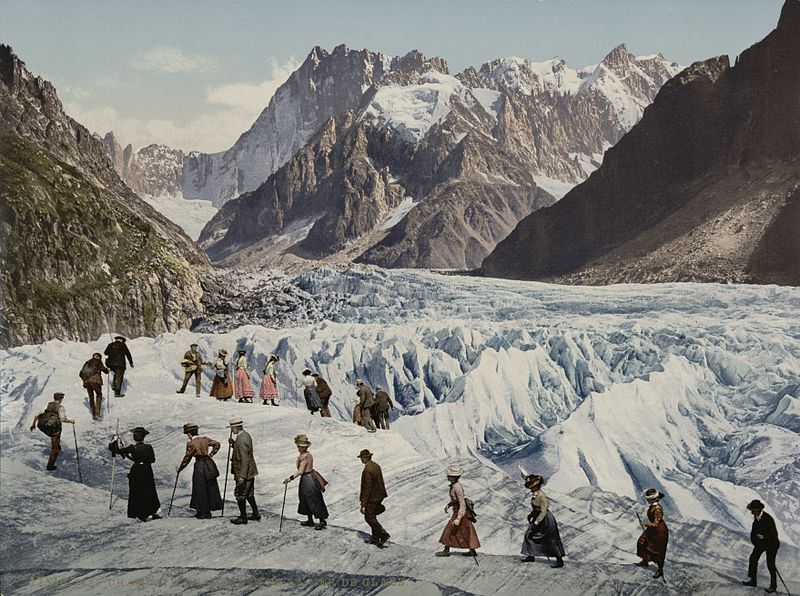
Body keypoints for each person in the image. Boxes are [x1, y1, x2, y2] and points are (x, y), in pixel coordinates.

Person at [109, 426, 161, 522]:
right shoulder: (148, 447)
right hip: (147, 470)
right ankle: (152, 512)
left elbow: (117, 450)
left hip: (136, 470)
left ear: (134, 437)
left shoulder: (132, 448)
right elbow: (152, 460)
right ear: (144, 437)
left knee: (137, 491)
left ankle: (139, 513)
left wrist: (113, 442)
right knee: (150, 491)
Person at [177, 422, 223, 519]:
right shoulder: (205, 439)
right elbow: (217, 444)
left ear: (189, 434)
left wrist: (180, 468)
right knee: (210, 486)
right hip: (209, 464)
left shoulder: (191, 443)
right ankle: (207, 510)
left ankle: (204, 512)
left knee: (199, 488)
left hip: (199, 465)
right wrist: (211, 454)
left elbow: (187, 457)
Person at [283, 435, 328, 530]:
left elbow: (300, 471)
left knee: (312, 499)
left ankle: (321, 520)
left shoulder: (304, 457)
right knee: (307, 499)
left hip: (307, 480)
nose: (298, 448)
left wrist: (290, 478)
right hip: (309, 478)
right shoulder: (308, 455)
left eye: (299, 446)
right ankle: (311, 519)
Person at [520, 474, 565, 567]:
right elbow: (536, 509)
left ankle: (559, 559)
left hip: (546, 520)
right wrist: (531, 514)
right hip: (539, 517)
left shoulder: (542, 496)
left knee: (551, 539)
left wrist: (537, 521)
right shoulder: (536, 495)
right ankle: (530, 555)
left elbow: (543, 511)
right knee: (529, 534)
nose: (530, 489)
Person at [435, 465, 480, 558]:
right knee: (464, 531)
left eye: (449, 475)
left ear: (453, 477)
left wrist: (458, 518)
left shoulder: (457, 487)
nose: (447, 476)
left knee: (451, 529)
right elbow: (456, 501)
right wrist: (449, 505)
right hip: (458, 510)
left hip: (460, 512)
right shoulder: (454, 486)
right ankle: (472, 551)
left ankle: (446, 550)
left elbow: (462, 503)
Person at [741, 499, 780, 592]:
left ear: (757, 510)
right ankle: (753, 581)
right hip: (761, 544)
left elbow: (774, 533)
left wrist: (764, 536)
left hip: (772, 545)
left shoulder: (768, 518)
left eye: (753, 510)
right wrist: (756, 542)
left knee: (770, 565)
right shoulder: (756, 518)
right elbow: (754, 533)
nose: (751, 512)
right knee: (753, 559)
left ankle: (773, 587)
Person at [29, 392, 74, 470]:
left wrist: (33, 424)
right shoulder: (60, 407)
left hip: (43, 426)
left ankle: (57, 446)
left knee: (53, 436)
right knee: (55, 447)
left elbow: (37, 414)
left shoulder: (49, 404)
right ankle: (50, 466)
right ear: (61, 399)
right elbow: (63, 419)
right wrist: (71, 421)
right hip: (54, 429)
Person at [228, 417, 260, 524]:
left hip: (244, 472)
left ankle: (243, 517)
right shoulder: (245, 435)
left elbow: (244, 459)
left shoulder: (241, 440)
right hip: (250, 471)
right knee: (249, 494)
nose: (232, 431)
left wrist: (242, 476)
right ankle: (255, 513)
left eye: (232, 428)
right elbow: (243, 452)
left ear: (236, 427)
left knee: (240, 494)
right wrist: (233, 444)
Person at [358, 449, 389, 547]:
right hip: (379, 495)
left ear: (365, 458)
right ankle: (375, 538)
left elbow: (367, 488)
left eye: (362, 458)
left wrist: (363, 503)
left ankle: (383, 534)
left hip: (372, 497)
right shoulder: (376, 466)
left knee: (369, 517)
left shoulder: (368, 470)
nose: (361, 460)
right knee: (372, 515)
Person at [636, 488, 669, 579]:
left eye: (649, 499)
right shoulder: (653, 506)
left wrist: (644, 524)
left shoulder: (657, 509)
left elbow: (655, 523)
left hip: (659, 531)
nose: (647, 500)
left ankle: (660, 569)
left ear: (654, 499)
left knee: (658, 549)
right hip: (653, 529)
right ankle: (645, 561)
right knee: (642, 542)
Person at [80, 352, 108, 419]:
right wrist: (107, 370)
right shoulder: (98, 361)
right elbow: (103, 369)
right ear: (99, 357)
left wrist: (85, 380)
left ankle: (93, 414)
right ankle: (97, 413)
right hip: (95, 380)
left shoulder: (87, 362)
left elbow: (80, 373)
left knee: (91, 397)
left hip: (87, 382)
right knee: (99, 395)